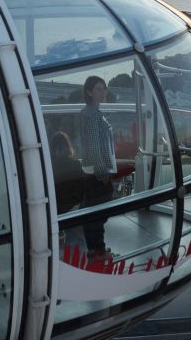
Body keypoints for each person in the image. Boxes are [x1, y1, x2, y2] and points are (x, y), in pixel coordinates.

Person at [77, 76, 117, 257]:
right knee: (99, 209)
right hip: (96, 171)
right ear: (89, 92)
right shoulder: (92, 114)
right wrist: (103, 173)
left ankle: (95, 248)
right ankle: (97, 249)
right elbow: (93, 145)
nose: (103, 92)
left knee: (93, 208)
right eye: (99, 89)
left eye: (104, 88)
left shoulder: (89, 112)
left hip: (92, 170)